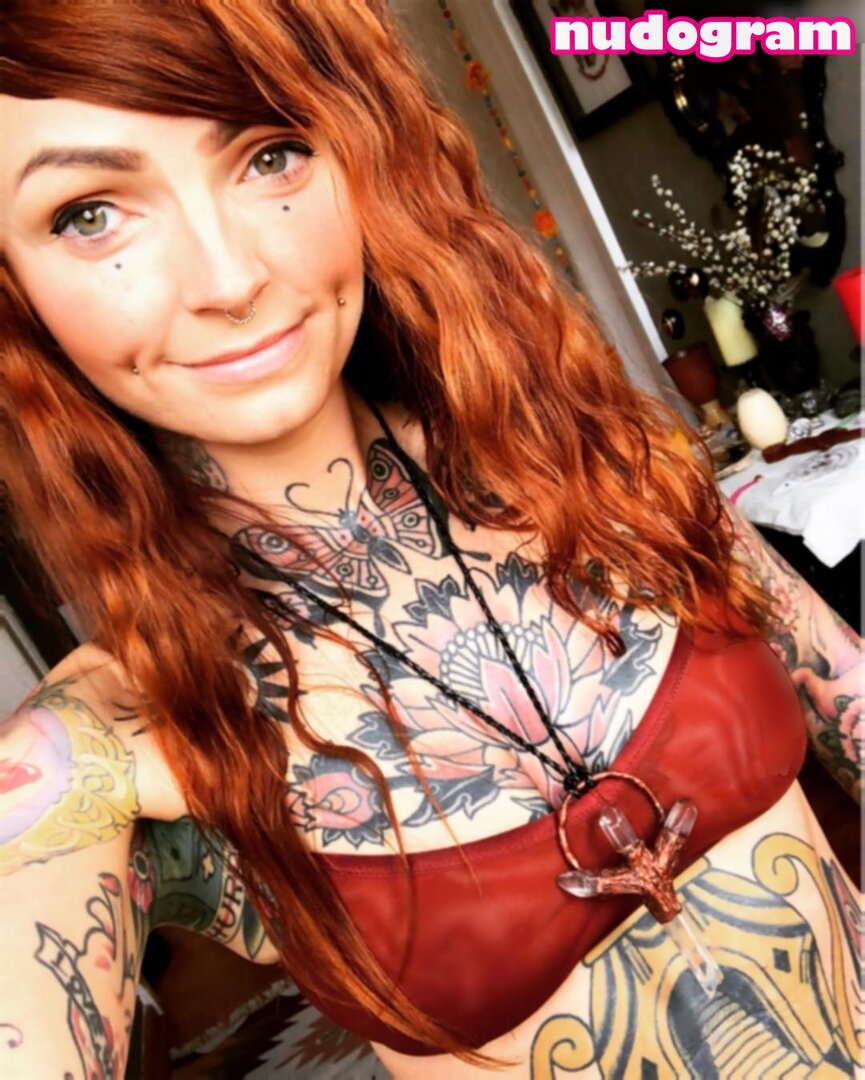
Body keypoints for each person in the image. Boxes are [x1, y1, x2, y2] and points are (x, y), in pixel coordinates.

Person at [0, 2, 860, 1077]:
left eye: (270, 153)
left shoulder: (593, 460)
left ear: (358, 148)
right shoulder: (111, 747)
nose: (230, 279)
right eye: (88, 214)